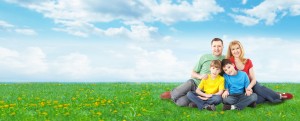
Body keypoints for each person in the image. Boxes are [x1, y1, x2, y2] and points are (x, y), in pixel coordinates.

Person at [160, 38, 225, 107]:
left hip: (205, 90)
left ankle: (194, 100)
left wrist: (225, 90)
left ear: (223, 47)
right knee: (175, 94)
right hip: (194, 83)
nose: (217, 48)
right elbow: (193, 73)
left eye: (219, 46)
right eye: (214, 46)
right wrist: (200, 76)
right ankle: (173, 94)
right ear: (211, 47)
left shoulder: (225, 59)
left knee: (181, 103)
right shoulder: (204, 57)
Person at [226, 40, 293, 104]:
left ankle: (279, 96)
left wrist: (249, 87)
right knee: (253, 98)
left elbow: (253, 79)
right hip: (238, 88)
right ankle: (270, 95)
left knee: (260, 89)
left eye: (237, 48)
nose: (236, 51)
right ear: (231, 51)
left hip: (250, 84)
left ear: (241, 49)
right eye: (233, 49)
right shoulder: (228, 62)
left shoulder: (248, 61)